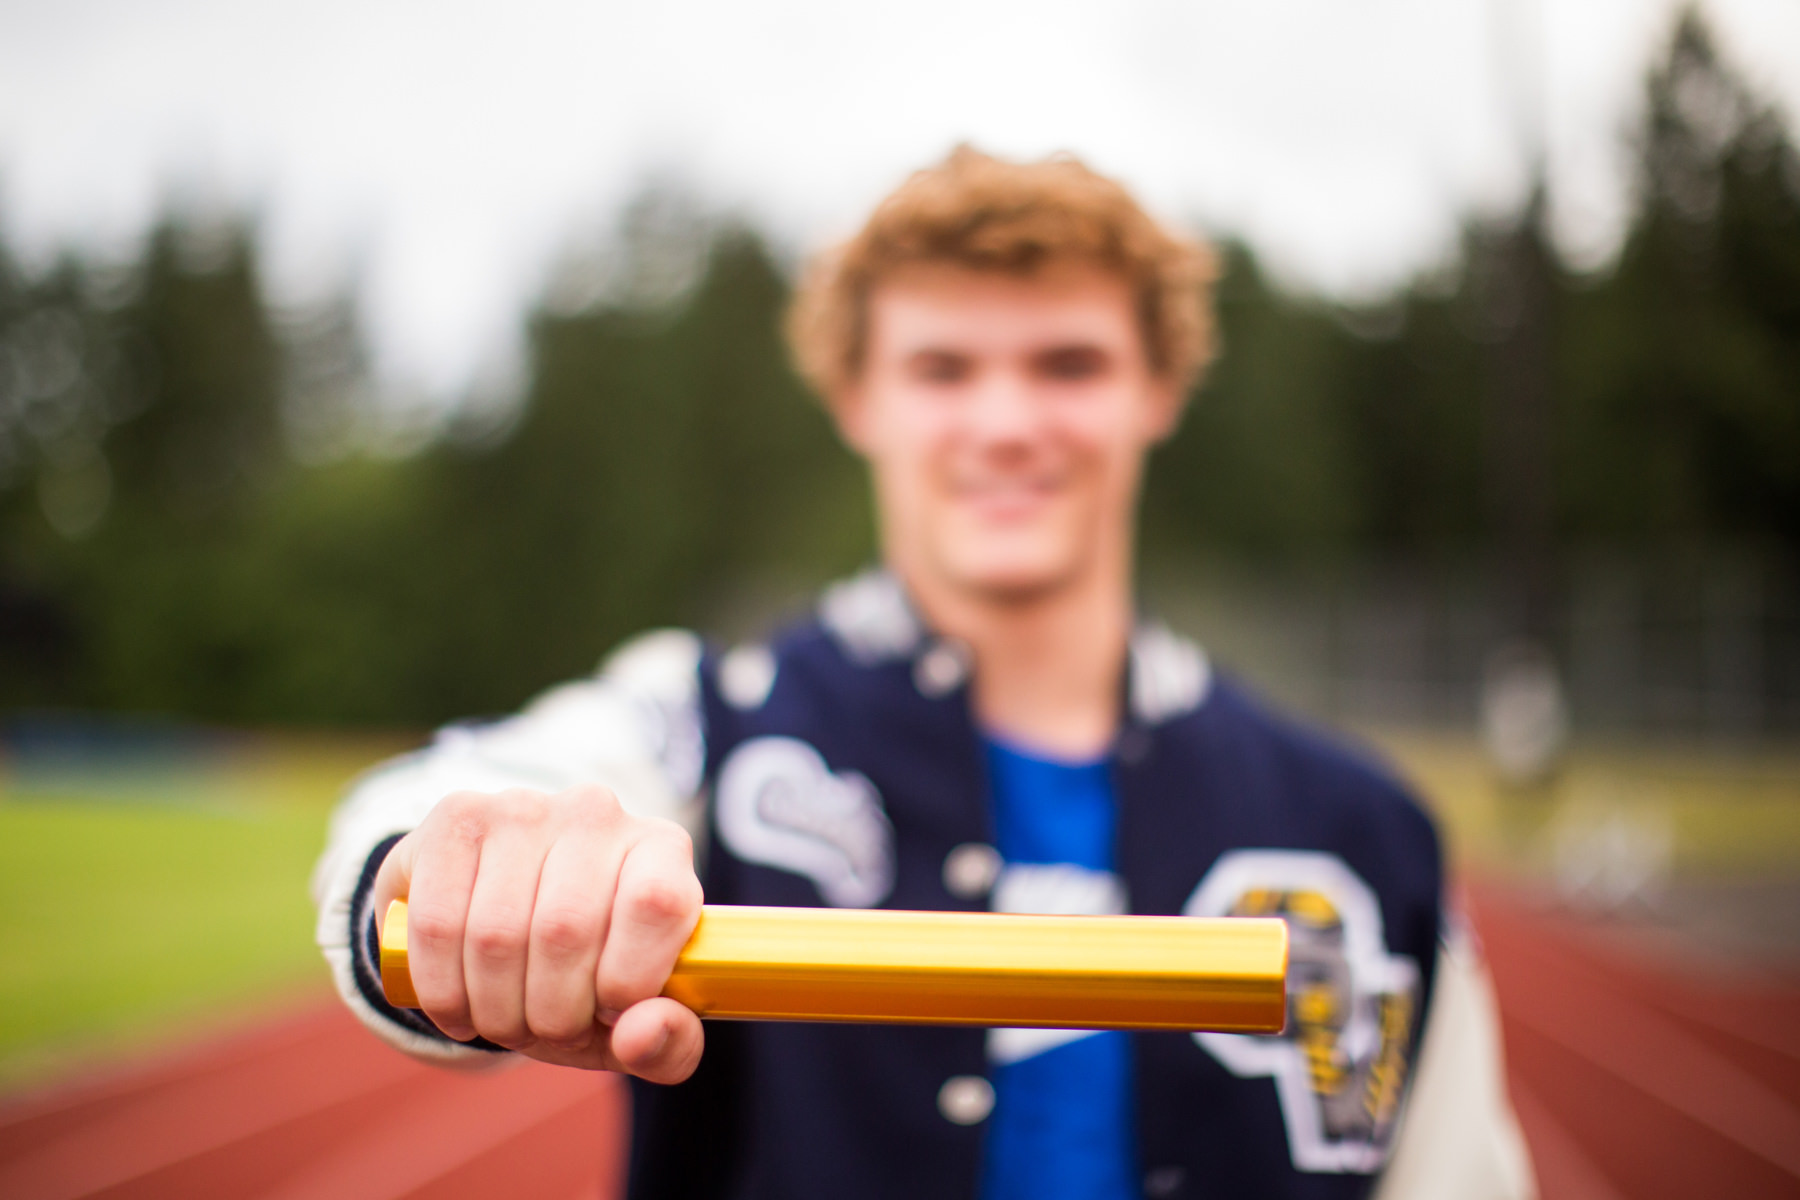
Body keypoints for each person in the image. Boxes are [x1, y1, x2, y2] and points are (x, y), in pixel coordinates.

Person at [314, 146, 1535, 1199]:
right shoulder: (711, 719)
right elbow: (456, 800)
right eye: (943, 369)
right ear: (857, 399)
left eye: (1068, 364)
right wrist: (459, 874)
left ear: (1157, 390)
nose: (1005, 421)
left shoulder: (1364, 830)